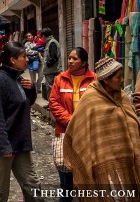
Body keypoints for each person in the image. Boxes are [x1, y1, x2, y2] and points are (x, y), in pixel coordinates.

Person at [63, 57, 140, 199]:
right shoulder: (90, 100)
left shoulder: (122, 97)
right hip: (105, 168)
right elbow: (76, 130)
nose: (122, 80)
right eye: (118, 77)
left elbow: (133, 123)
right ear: (106, 80)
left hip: (129, 165)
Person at [0, 42, 44, 202]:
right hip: (3, 147)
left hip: (20, 144)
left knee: (33, 185)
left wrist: (31, 89)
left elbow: (25, 104)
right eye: (24, 56)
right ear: (13, 60)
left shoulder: (18, 79)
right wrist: (4, 147)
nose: (27, 59)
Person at [48, 47, 96, 202]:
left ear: (83, 62)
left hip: (87, 132)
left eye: (74, 59)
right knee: (65, 172)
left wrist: (81, 122)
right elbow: (54, 103)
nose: (70, 61)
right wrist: (70, 121)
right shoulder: (60, 79)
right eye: (69, 58)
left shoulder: (94, 80)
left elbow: (97, 104)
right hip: (64, 131)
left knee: (86, 172)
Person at [41, 28, 61, 106]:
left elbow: (54, 58)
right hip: (50, 71)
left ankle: (53, 105)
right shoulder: (50, 42)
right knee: (51, 88)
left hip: (52, 71)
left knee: (51, 88)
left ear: (43, 36)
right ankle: (51, 104)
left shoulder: (52, 43)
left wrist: (47, 64)